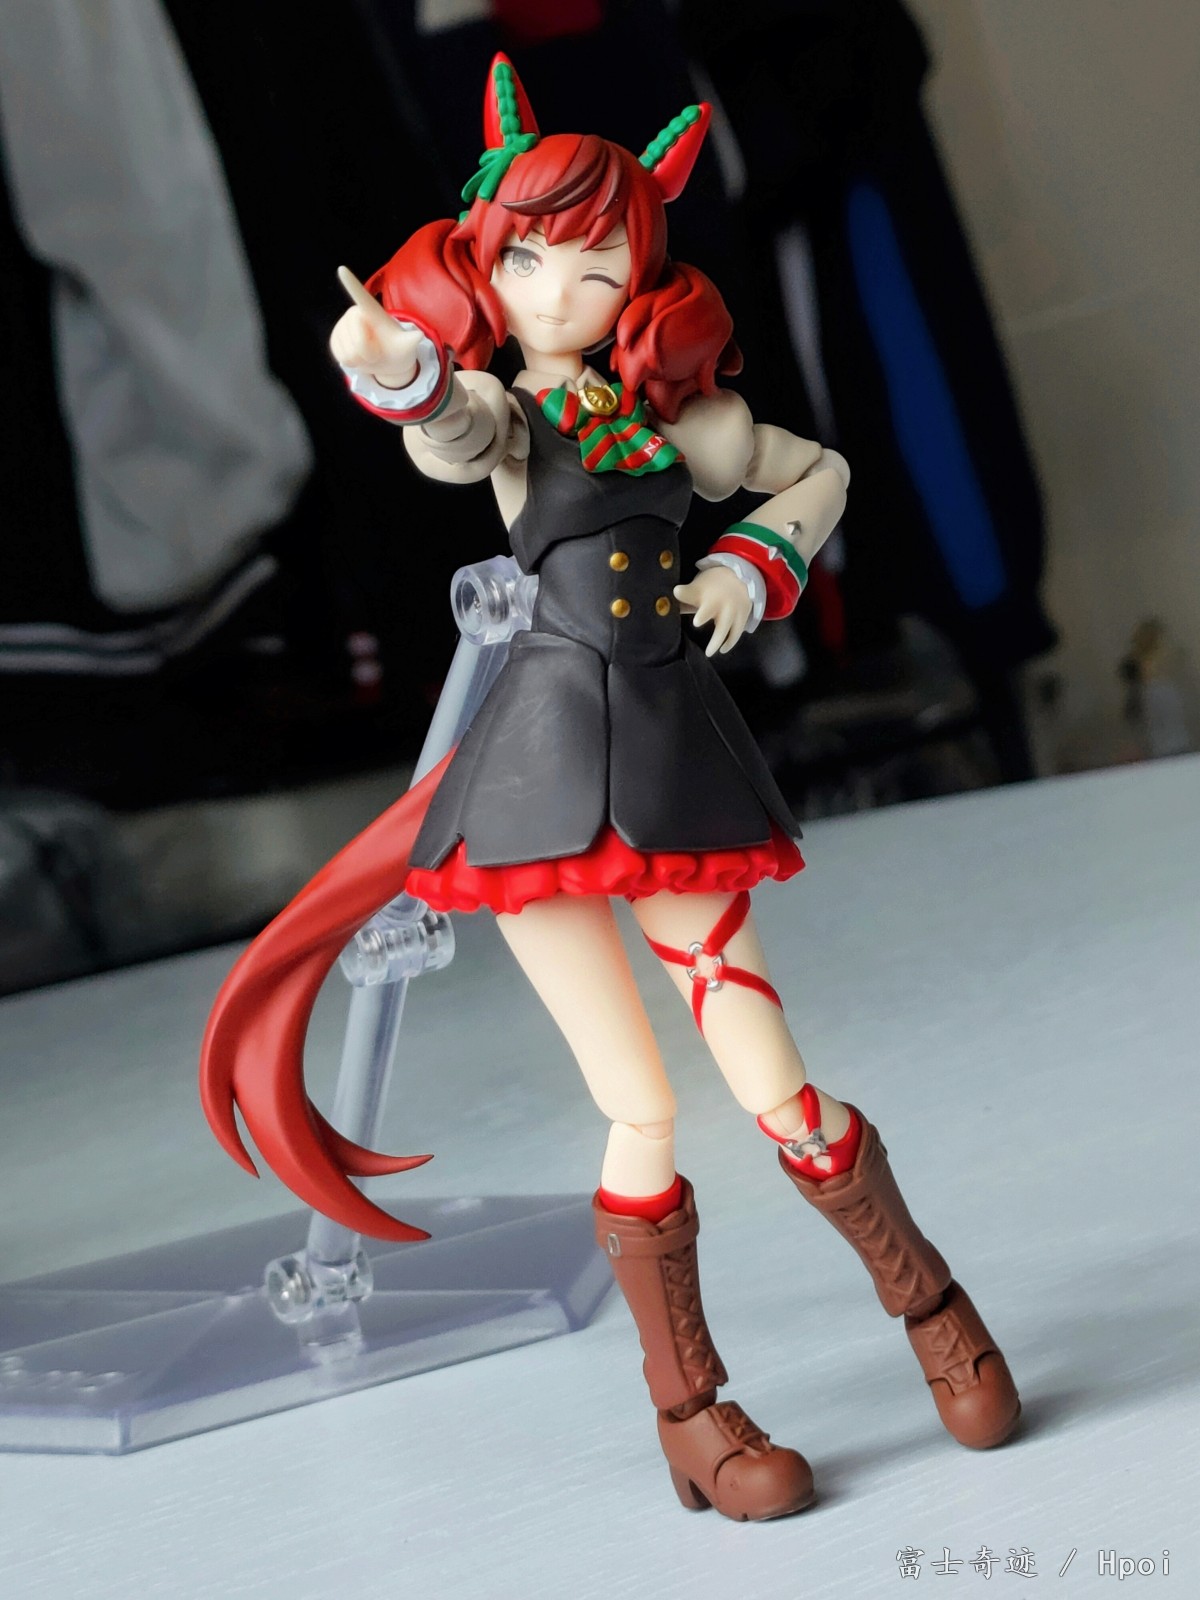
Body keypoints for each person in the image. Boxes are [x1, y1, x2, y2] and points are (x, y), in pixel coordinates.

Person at [201, 55, 1019, 1523]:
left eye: (594, 262)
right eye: (528, 259)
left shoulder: (687, 421)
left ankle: (933, 1308)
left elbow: (816, 474)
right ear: (486, 263)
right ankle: (692, 1414)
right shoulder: (508, 412)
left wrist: (751, 563)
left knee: (776, 1084)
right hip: (536, 784)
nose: (559, 289)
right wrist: (390, 364)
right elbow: (450, 429)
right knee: (638, 1108)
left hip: (670, 757)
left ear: (640, 273)